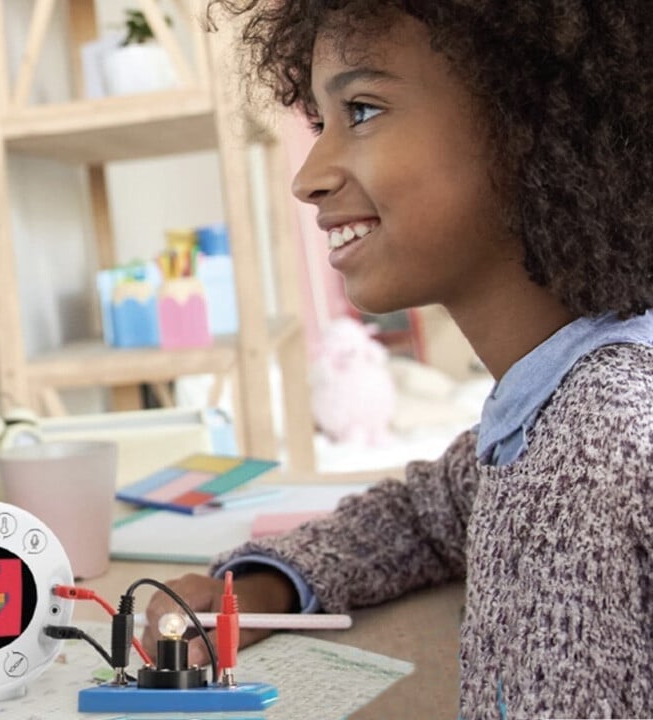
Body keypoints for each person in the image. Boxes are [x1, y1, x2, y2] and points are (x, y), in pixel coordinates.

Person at [141, 2, 653, 717]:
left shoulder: (593, 450)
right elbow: (429, 512)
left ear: (527, 124)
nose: (309, 177)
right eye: (320, 123)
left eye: (362, 109)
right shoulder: (566, 404)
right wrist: (266, 585)